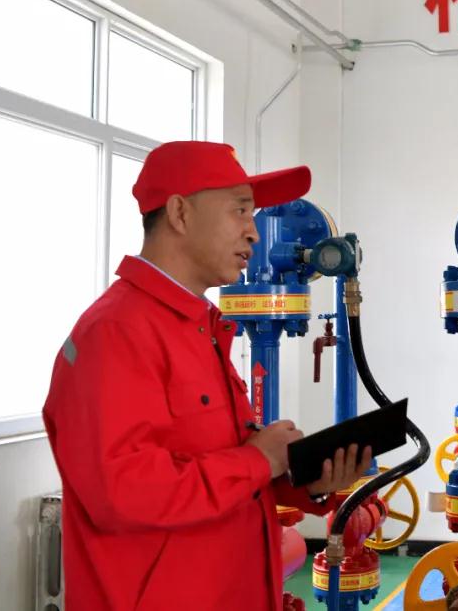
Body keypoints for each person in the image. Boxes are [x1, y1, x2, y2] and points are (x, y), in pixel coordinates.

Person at [43, 141, 371, 610]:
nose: (253, 232)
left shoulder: (198, 328)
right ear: (180, 213)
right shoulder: (116, 332)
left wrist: (300, 479)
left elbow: (212, 463)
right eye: (240, 210)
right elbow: (122, 494)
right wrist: (259, 460)